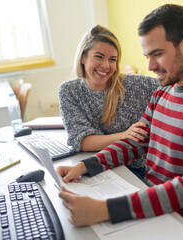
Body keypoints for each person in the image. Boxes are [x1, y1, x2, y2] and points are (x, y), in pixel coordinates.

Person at [58, 4, 183, 238]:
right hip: (149, 205)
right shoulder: (163, 92)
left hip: (181, 225)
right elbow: (133, 143)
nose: (150, 66)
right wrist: (85, 167)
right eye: (147, 56)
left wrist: (104, 210)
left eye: (157, 54)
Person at [58, 25, 159, 179]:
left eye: (112, 59)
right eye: (99, 56)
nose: (106, 65)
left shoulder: (137, 85)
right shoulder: (69, 90)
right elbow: (82, 141)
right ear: (83, 57)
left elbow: (174, 85)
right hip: (98, 165)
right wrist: (124, 135)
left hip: (137, 169)